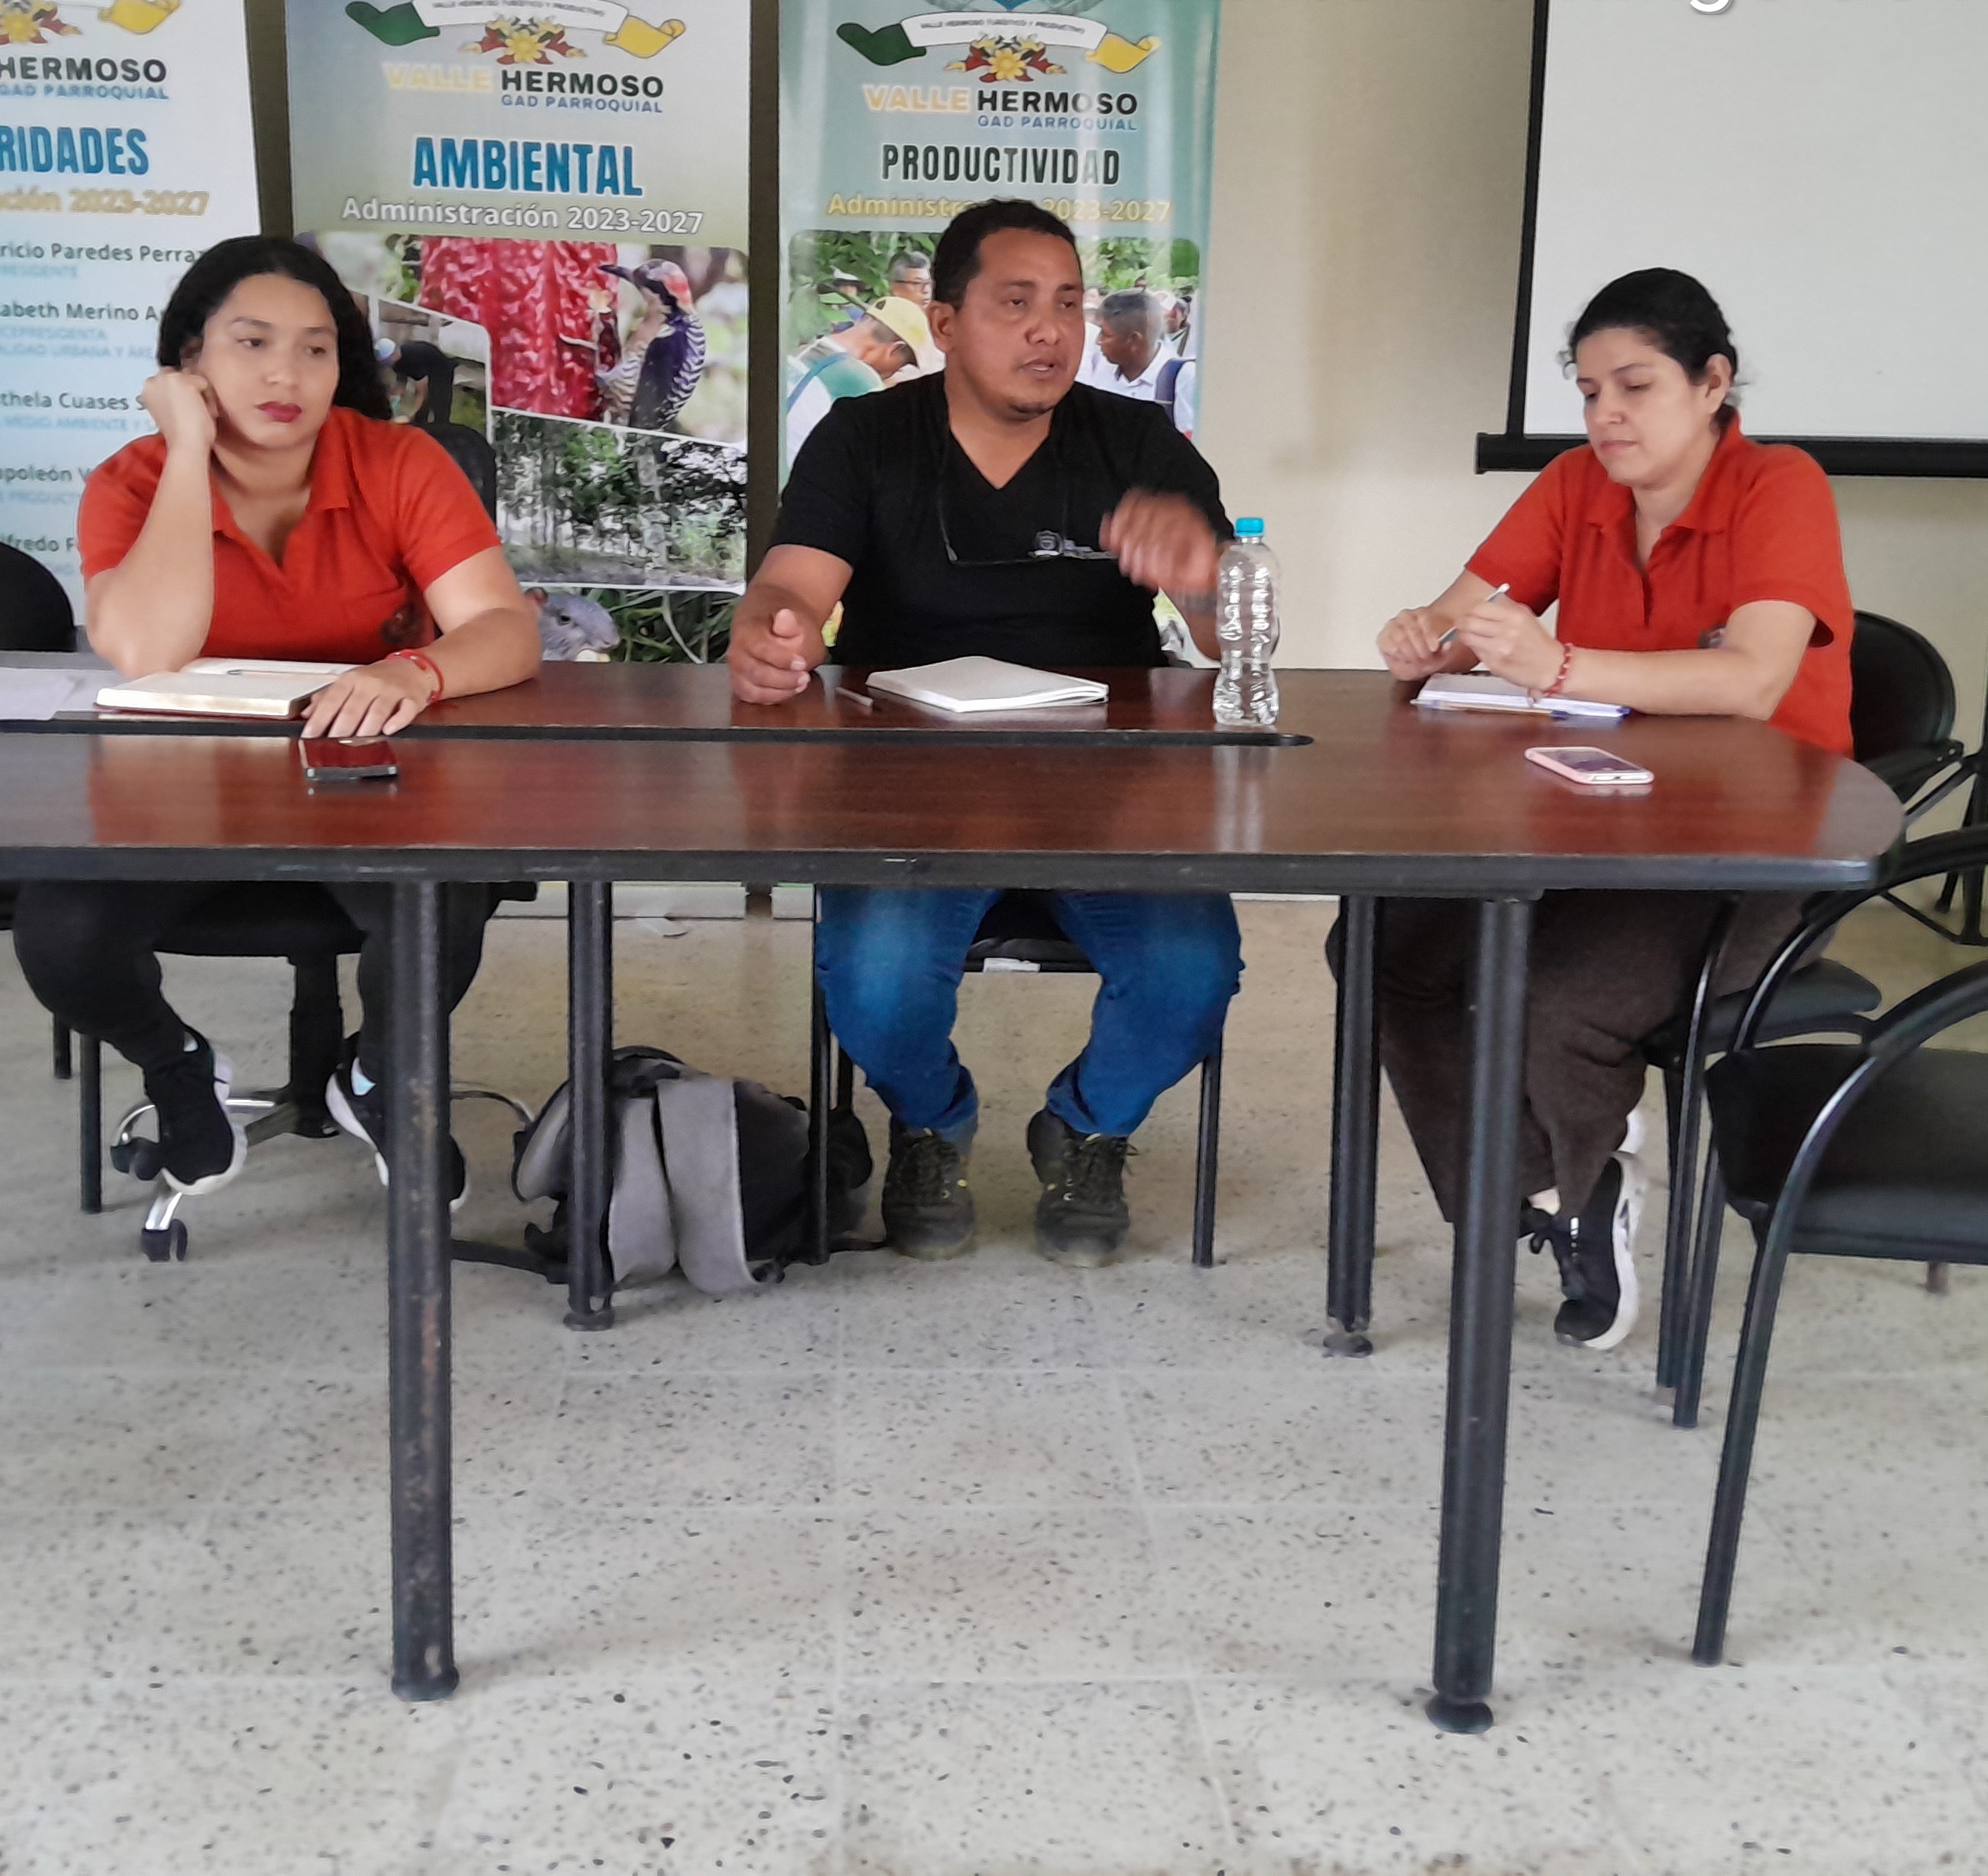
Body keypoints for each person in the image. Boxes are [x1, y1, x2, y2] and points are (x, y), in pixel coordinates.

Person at [730, 198, 1243, 1268]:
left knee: (1193, 972)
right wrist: (773, 633)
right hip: (909, 787)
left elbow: (1229, 635)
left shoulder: (1138, 441)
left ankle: (1088, 1128)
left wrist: (1207, 581)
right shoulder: (868, 438)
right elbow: (791, 587)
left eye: (1068, 304)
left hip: (1110, 789)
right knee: (873, 980)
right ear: (946, 322)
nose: (1050, 330)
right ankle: (931, 1124)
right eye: (1016, 304)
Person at [1362, 266, 1851, 1350]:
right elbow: (1460, 617)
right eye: (1589, 392)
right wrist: (1425, 641)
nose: (1606, 416)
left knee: (1558, 997)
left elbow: (1753, 680)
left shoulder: (1780, 486)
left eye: (1636, 386)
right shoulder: (1575, 483)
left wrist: (1557, 664)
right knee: (1386, 944)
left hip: (1757, 849)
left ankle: (1577, 1189)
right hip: (1594, 821)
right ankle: (1540, 1191)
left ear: (1713, 383)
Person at [15, 236, 542, 1204]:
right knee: (63, 936)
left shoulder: (398, 461)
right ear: (190, 358)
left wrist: (417, 669)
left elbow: (505, 629)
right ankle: (177, 1068)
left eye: (315, 349)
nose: (285, 375)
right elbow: (149, 650)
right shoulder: (131, 481)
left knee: (441, 908)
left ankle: (377, 1079)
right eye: (251, 343)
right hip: (176, 789)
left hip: (363, 781)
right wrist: (187, 450)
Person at [781, 309, 919, 462]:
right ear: (895, 349)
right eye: (902, 365)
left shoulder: (802, 349)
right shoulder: (862, 380)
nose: (895, 373)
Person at [1078, 288, 1195, 430]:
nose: (1098, 341)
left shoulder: (1180, 378)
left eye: (1105, 334)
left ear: (1134, 340)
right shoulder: (1099, 369)